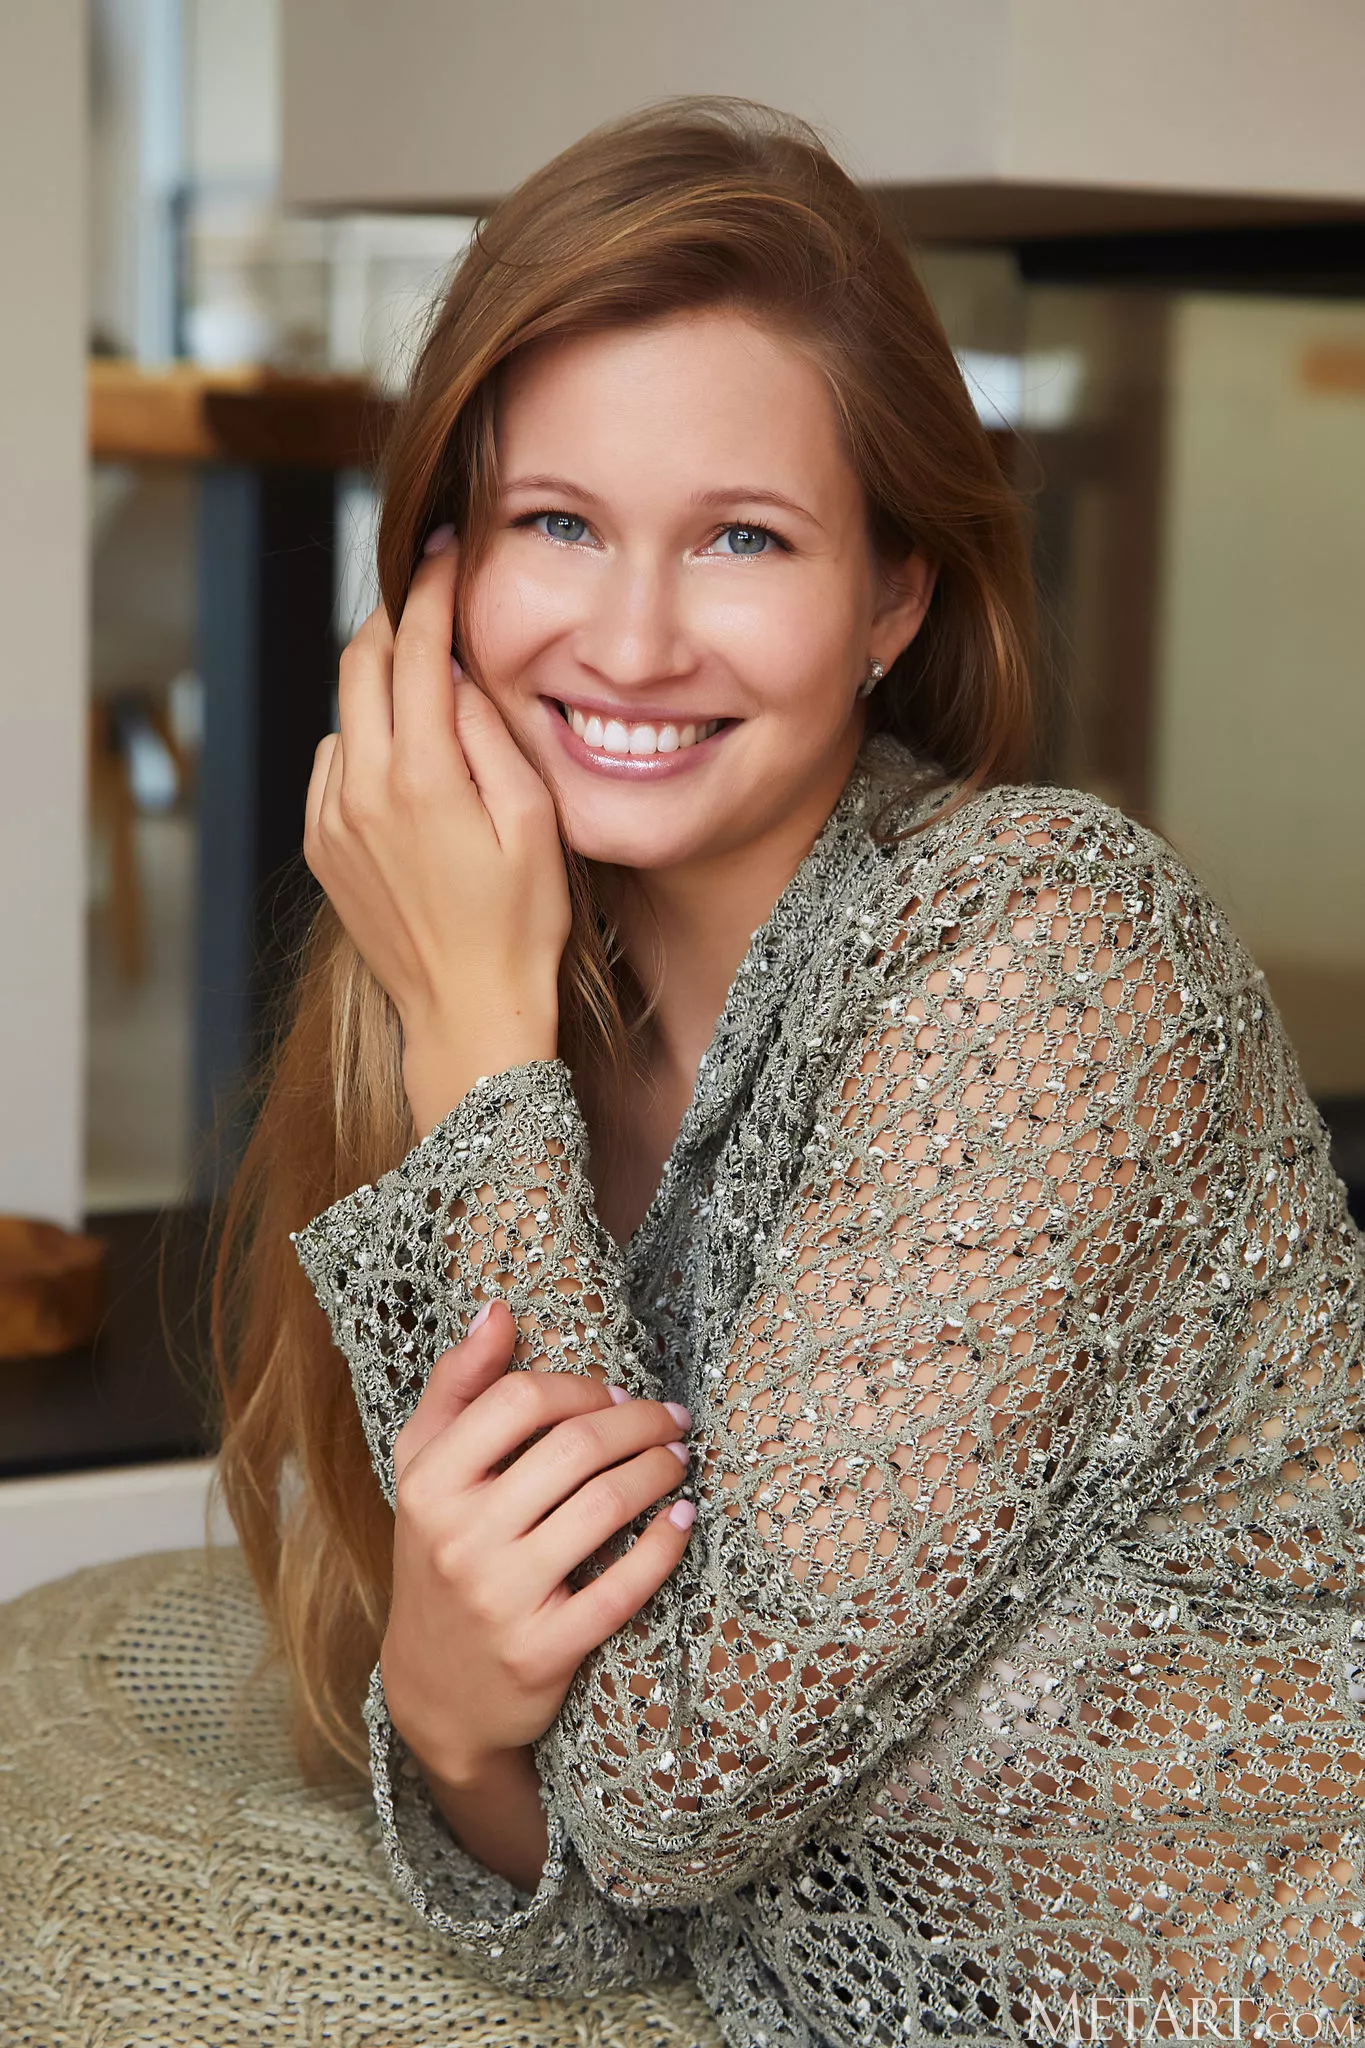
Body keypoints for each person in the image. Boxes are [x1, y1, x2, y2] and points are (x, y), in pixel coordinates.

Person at [215, 98, 1365, 2048]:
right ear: (434, 582)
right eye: (558, 523)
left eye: (741, 537)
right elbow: (625, 1902)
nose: (633, 638)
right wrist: (453, 1721)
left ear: (891, 596)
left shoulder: (1048, 953)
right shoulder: (508, 1015)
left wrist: (477, 1045)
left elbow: (663, 1787)